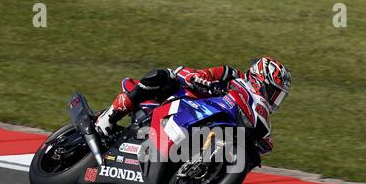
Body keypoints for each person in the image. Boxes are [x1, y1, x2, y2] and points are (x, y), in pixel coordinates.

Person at [95, 57, 292, 138]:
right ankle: (109, 117)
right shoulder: (231, 74)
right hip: (188, 100)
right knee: (163, 76)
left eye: (279, 96)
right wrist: (200, 79)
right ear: (260, 78)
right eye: (275, 92)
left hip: (206, 123)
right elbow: (205, 73)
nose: (275, 99)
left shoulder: (255, 110)